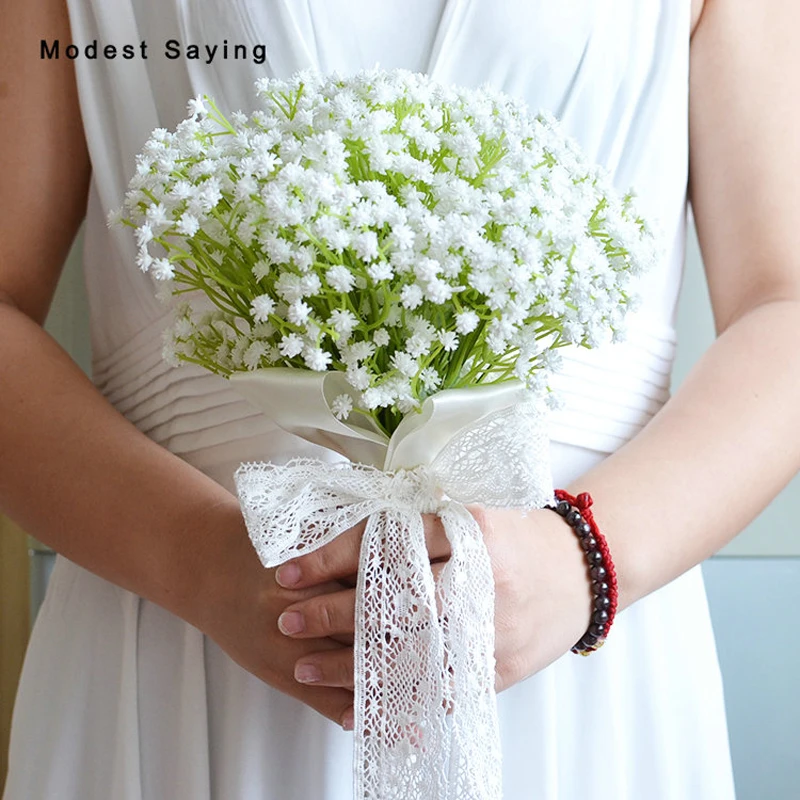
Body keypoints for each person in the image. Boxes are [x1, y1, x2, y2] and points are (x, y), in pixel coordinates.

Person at [2, 0, 798, 797]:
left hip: (580, 640)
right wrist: (198, 563)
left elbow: (784, 307)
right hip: (176, 620)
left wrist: (580, 564)